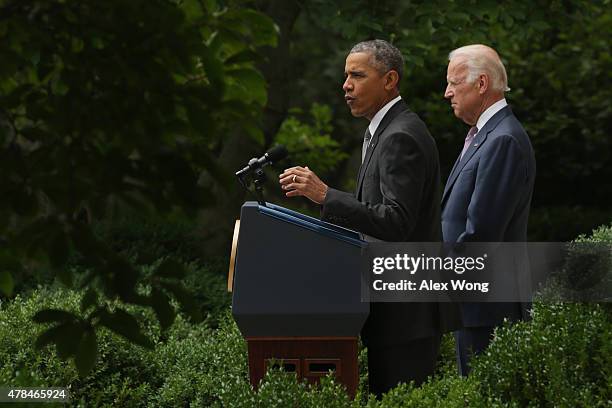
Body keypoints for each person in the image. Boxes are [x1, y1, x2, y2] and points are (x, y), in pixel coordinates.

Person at [279, 39, 460, 396]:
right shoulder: (384, 131)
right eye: (346, 76)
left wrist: (325, 195)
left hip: (405, 314)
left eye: (357, 75)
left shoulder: (400, 136)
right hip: (393, 313)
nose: (346, 85)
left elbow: (395, 221)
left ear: (390, 79)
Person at [441, 44, 536, 375]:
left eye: (454, 83)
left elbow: (482, 233)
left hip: (488, 310)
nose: (446, 93)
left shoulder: (502, 140)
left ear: (481, 84)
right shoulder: (485, 136)